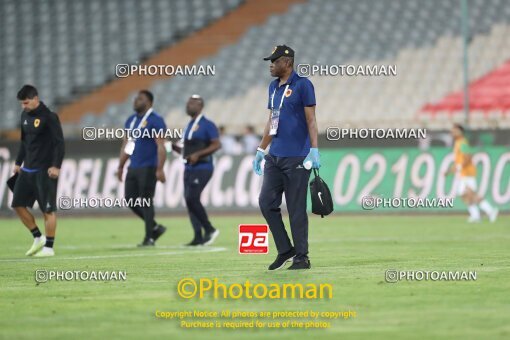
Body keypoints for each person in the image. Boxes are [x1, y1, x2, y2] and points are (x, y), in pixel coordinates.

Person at [253, 45, 320, 270]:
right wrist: (261, 150)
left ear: (288, 63)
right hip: (275, 156)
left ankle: (302, 257)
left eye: (274, 61)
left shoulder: (303, 85)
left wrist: (314, 149)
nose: (270, 65)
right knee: (265, 203)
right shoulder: (273, 87)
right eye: (270, 61)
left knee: (295, 208)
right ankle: (285, 249)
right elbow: (272, 119)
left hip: (298, 157)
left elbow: (311, 120)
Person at [11, 85, 65, 257]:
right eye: (21, 104)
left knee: (47, 210)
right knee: (17, 205)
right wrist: (18, 162)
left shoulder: (49, 117)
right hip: (27, 169)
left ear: (36, 98)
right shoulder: (24, 115)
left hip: (45, 170)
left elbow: (59, 143)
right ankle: (37, 237)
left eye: (26, 103)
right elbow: (24, 142)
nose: (23, 106)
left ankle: (49, 248)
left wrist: (56, 166)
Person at [117, 90, 167, 246]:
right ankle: (154, 227)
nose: (136, 101)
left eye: (140, 99)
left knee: (146, 201)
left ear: (149, 103)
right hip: (134, 166)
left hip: (149, 166)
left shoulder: (156, 120)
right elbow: (127, 144)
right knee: (130, 200)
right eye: (135, 98)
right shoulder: (131, 120)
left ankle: (149, 237)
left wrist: (160, 168)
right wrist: (121, 165)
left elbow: (161, 146)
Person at [172, 94, 221, 246]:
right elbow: (187, 149)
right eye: (188, 103)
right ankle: (198, 236)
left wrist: (198, 154)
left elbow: (216, 145)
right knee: (189, 199)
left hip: (203, 166)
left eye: (192, 103)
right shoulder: (189, 126)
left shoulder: (207, 124)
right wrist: (174, 147)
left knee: (192, 197)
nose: (188, 105)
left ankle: (210, 229)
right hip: (189, 167)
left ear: (200, 106)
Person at [444, 124, 498, 223]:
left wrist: (459, 167)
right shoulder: (457, 143)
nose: (452, 133)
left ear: (460, 132)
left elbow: (468, 156)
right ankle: (476, 215)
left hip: (467, 172)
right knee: (463, 194)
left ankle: (490, 211)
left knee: (471, 194)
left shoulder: (462, 143)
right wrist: (449, 171)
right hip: (463, 173)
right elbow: (459, 161)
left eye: (454, 131)